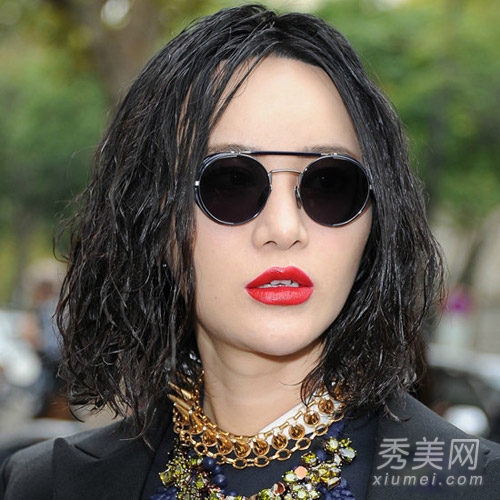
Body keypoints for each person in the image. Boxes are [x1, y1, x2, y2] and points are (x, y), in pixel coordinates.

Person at [1, 4, 499, 499]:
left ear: (376, 219)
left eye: (330, 184)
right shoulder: (46, 486)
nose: (284, 229)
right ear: (153, 216)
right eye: (231, 182)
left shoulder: (473, 484)